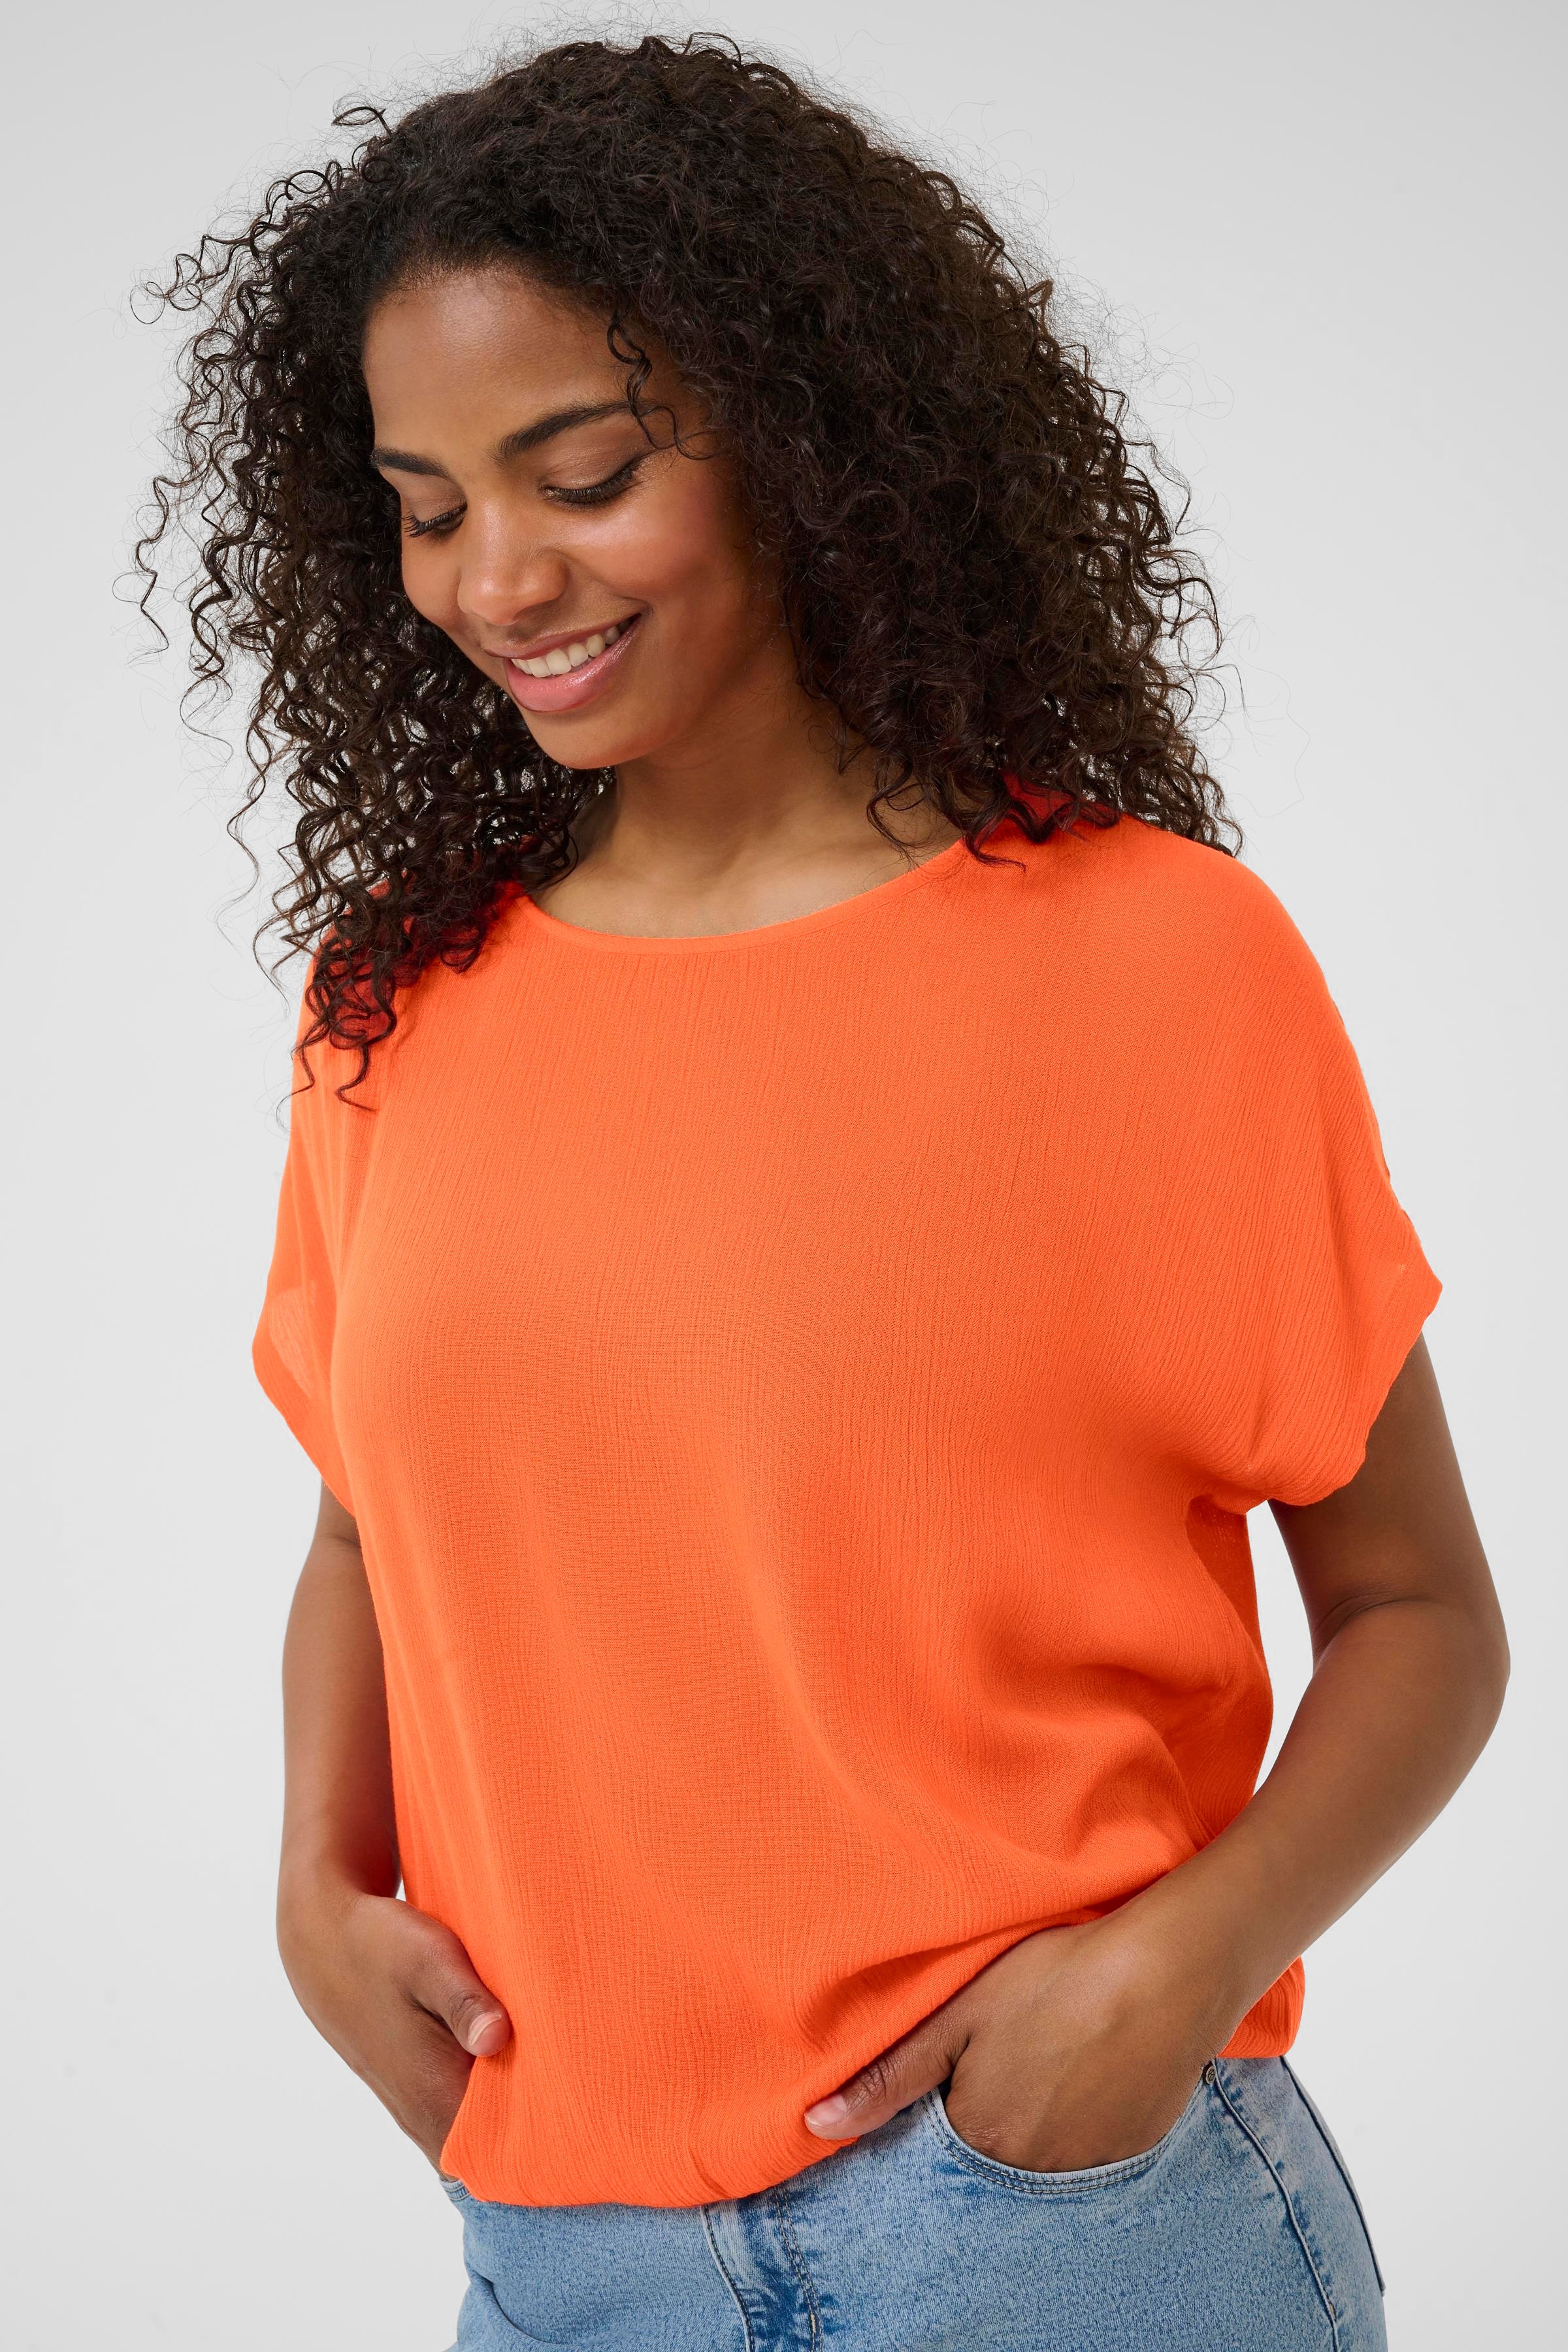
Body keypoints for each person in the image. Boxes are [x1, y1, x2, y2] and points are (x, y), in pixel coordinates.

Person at [141, 34, 1507, 2351]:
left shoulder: (1153, 961)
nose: (499, 577)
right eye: (426, 503)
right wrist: (309, 1888)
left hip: (1074, 2227)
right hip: (566, 2243)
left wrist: (1176, 1969)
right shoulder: (400, 1004)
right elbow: (366, 1530)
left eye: (583, 473)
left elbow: (1418, 1614)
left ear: (804, 434)